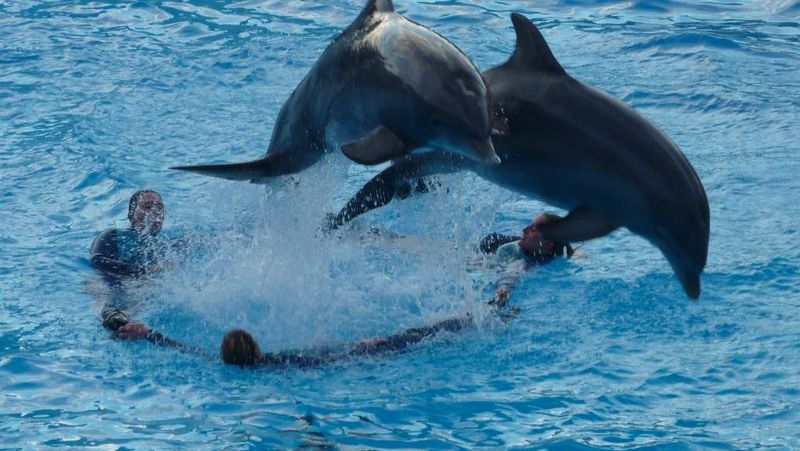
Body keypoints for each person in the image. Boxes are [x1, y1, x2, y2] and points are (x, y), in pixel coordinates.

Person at [220, 309, 502, 368]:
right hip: (351, 358)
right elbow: (320, 362)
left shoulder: (257, 365)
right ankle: (474, 318)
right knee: (414, 337)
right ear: (255, 349)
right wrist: (362, 348)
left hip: (341, 356)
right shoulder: (280, 360)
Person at [88, 190, 183, 347]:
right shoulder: (112, 235)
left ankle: (141, 331)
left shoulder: (167, 246)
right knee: (115, 317)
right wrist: (145, 270)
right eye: (147, 206)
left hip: (143, 291)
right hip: (110, 286)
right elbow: (97, 261)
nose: (155, 212)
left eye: (160, 208)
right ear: (131, 215)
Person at [479, 213, 574, 306]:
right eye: (530, 225)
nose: (524, 230)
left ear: (547, 244)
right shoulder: (530, 244)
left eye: (533, 229)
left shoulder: (527, 261)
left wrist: (504, 287)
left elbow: (514, 272)